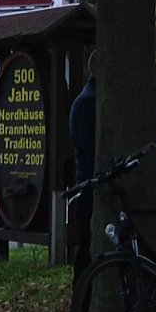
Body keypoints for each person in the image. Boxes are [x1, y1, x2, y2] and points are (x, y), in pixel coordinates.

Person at [69, 50, 96, 287]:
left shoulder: (88, 97)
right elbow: (92, 151)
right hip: (90, 187)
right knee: (87, 250)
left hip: (87, 185)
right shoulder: (89, 101)